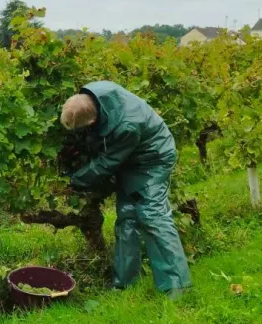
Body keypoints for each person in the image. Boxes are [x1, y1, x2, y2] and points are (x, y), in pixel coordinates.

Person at [60, 81, 192, 298]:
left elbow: (107, 162)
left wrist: (76, 180)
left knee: (153, 215)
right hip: (131, 159)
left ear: (91, 121)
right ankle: (124, 284)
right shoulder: (92, 95)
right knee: (127, 218)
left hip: (153, 159)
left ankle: (177, 286)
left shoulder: (127, 126)